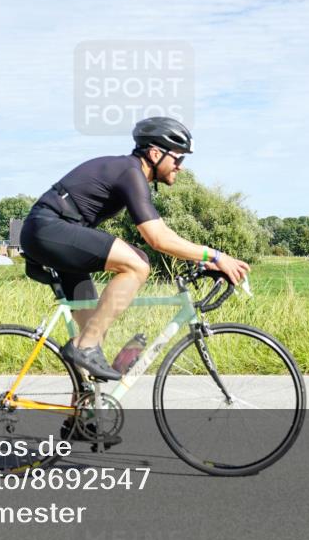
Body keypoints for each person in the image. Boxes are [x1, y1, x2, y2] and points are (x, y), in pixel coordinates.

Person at [19, 116, 250, 381]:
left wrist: (198, 259)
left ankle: (83, 417)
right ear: (155, 153)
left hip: (53, 234)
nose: (181, 167)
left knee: (94, 328)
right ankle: (84, 348)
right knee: (136, 266)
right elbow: (157, 238)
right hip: (48, 230)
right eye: (178, 158)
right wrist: (216, 256)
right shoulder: (130, 172)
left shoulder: (128, 172)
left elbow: (160, 236)